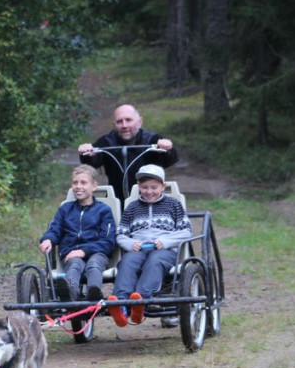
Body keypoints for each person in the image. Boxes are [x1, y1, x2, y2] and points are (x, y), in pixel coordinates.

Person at [106, 164, 191, 327]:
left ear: (163, 187)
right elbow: (121, 234)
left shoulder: (173, 205)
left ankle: (140, 301)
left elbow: (186, 231)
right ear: (139, 187)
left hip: (164, 250)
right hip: (138, 249)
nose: (149, 191)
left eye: (154, 187)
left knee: (155, 262)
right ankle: (120, 304)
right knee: (127, 262)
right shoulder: (132, 207)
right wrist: (131, 244)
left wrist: (165, 241)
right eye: (145, 187)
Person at [38, 165, 117, 302]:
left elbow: (108, 241)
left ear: (94, 186)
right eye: (75, 183)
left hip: (97, 253)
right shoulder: (65, 209)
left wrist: (84, 251)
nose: (78, 186)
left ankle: (93, 295)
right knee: (74, 264)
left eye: (83, 182)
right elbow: (55, 229)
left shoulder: (104, 211)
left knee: (94, 264)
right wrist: (48, 239)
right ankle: (70, 295)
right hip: (71, 253)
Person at [78, 104, 178, 201]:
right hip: (117, 199)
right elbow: (92, 164)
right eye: (119, 121)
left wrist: (167, 149)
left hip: (149, 198)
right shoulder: (106, 142)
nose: (124, 125)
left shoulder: (152, 140)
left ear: (140, 122)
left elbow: (169, 160)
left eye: (128, 120)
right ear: (114, 125)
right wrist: (87, 154)